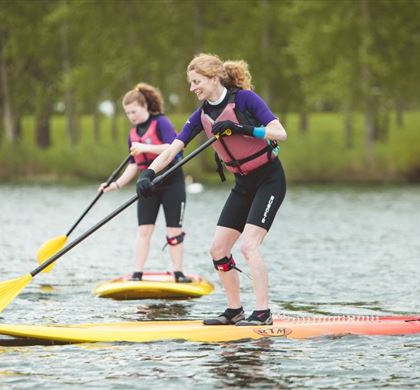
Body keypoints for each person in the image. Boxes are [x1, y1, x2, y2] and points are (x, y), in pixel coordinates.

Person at [136, 54, 287, 326]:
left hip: (268, 179)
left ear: (214, 78)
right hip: (243, 184)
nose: (192, 88)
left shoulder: (244, 99)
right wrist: (149, 174)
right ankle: (234, 310)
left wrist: (242, 129)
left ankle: (263, 313)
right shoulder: (201, 115)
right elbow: (173, 149)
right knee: (218, 249)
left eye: (197, 82)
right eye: (191, 82)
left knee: (248, 246)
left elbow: (280, 133)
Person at [99, 82, 191, 283]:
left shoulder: (161, 123)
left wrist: (143, 146)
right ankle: (137, 272)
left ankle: (178, 272)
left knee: (173, 230)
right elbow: (133, 165)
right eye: (127, 113)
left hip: (171, 181)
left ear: (145, 107)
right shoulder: (133, 133)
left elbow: (173, 148)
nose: (131, 116)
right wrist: (115, 185)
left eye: (134, 111)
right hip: (147, 184)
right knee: (144, 230)